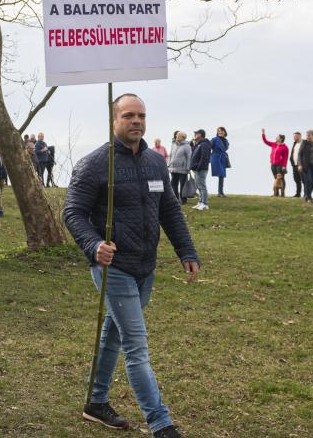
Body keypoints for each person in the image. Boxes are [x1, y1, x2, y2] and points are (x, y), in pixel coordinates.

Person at [63, 93, 199, 438]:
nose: (136, 121)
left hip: (145, 267)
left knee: (113, 334)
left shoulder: (155, 162)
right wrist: (93, 245)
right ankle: (161, 422)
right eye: (128, 115)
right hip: (114, 267)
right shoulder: (95, 164)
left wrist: (187, 251)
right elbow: (73, 212)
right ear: (114, 119)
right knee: (136, 345)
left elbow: (169, 209)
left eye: (141, 115)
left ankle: (95, 402)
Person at [261, 129, 289, 197]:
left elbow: (285, 158)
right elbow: (265, 141)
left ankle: (282, 193)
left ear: (281, 139)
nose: (276, 138)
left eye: (277, 137)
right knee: (275, 178)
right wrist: (263, 134)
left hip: (280, 165)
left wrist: (284, 166)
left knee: (281, 178)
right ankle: (276, 193)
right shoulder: (274, 144)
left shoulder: (285, 147)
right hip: (273, 164)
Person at [189, 130, 212, 210]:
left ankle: (205, 204)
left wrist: (198, 167)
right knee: (198, 186)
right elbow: (194, 155)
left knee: (202, 186)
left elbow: (204, 157)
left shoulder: (204, 144)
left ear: (201, 135)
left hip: (201, 169)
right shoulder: (198, 144)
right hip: (196, 169)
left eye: (196, 133)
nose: (195, 134)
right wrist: (192, 145)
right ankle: (200, 202)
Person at [167, 131, 191, 204]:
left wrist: (188, 168)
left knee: (183, 185)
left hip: (183, 169)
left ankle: (183, 200)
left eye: (178, 136)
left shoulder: (187, 146)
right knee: (173, 184)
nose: (176, 137)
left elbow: (189, 157)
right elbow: (170, 155)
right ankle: (175, 200)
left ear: (182, 138)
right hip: (173, 168)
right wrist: (168, 164)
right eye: (176, 135)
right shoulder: (173, 144)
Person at [211, 127, 230, 197]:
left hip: (222, 158)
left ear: (224, 132)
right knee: (221, 174)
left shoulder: (226, 140)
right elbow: (209, 147)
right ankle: (220, 192)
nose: (220, 132)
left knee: (222, 175)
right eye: (218, 131)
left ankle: (220, 192)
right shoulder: (214, 139)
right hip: (216, 158)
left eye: (221, 131)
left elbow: (225, 148)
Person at [289, 132, 304, 199]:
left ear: (299, 136)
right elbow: (293, 153)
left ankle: (306, 194)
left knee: (304, 180)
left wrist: (302, 164)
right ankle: (298, 194)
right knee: (296, 179)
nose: (294, 138)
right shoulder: (295, 143)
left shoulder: (304, 143)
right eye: (293, 136)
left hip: (301, 165)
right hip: (294, 165)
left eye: (295, 136)